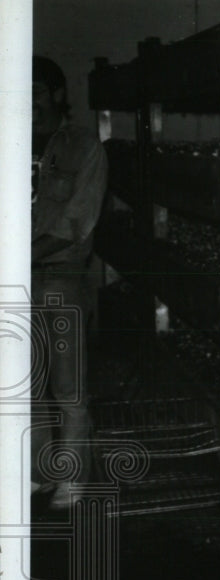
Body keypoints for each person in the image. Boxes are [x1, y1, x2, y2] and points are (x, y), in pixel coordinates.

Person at [31, 56, 108, 509]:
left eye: (37, 93)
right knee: (26, 383)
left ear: (58, 94)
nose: (28, 105)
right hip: (17, 280)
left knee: (68, 387)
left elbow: (75, 222)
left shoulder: (84, 148)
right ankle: (41, 474)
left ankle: (73, 477)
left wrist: (17, 257)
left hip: (60, 279)